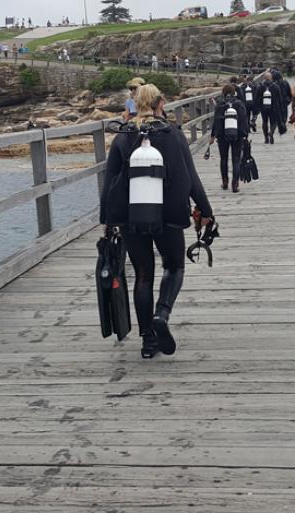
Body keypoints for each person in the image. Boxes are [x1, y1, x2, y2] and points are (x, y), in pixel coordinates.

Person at [100, 84, 213, 359]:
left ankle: (148, 341)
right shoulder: (173, 135)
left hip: (131, 217)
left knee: (142, 275)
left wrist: (107, 220)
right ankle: (161, 314)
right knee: (174, 267)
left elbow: (110, 181)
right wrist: (206, 209)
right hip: (169, 215)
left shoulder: (123, 138)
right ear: (162, 103)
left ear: (135, 104)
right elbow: (191, 177)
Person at [209, 84, 249, 192]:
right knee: (236, 159)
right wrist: (245, 134)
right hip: (237, 135)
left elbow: (216, 122)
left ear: (223, 93)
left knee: (224, 159)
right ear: (234, 92)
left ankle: (225, 182)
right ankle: (235, 185)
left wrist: (213, 135)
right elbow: (244, 120)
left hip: (222, 136)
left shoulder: (220, 105)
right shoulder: (239, 104)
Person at [258, 71, 283, 144]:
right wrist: (281, 107)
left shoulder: (261, 86)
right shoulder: (276, 86)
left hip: (264, 108)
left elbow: (257, 98)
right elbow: (280, 98)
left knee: (264, 122)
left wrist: (257, 108)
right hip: (274, 107)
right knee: (273, 122)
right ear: (271, 78)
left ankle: (266, 138)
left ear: (264, 78)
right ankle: (271, 132)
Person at [274, 69, 291, 135]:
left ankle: (280, 127)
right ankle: (283, 126)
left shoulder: (274, 84)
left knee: (278, 115)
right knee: (284, 115)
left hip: (276, 102)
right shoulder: (285, 82)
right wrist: (288, 100)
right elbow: (289, 92)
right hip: (284, 102)